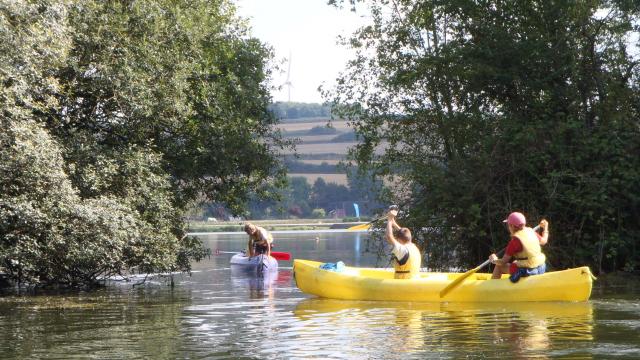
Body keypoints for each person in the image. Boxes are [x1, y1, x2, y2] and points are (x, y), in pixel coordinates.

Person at [489, 212, 550, 282]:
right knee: (516, 262)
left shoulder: (515, 241)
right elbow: (544, 241)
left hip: (528, 272)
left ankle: (490, 289)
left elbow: (503, 262)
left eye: (508, 225)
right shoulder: (531, 232)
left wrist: (494, 260)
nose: (508, 228)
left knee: (499, 266)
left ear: (512, 226)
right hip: (541, 267)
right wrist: (545, 228)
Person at [385, 206, 422, 279]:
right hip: (415, 281)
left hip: (403, 285)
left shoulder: (402, 250)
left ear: (399, 239)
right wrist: (393, 221)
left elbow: (389, 237)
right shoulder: (413, 247)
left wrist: (389, 219)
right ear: (409, 237)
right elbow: (403, 233)